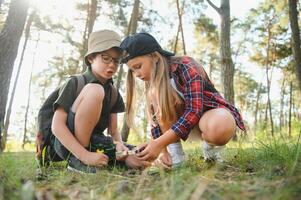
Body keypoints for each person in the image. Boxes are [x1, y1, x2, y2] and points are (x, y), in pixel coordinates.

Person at [120, 33, 246, 168]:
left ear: (155, 57)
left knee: (221, 126)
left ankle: (210, 149)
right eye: (132, 70)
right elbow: (155, 120)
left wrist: (159, 143)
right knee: (158, 97)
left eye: (138, 67)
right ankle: (176, 156)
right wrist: (163, 151)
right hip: (178, 127)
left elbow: (194, 110)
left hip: (206, 118)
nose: (137, 74)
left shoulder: (186, 66)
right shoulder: (152, 82)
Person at [50, 30, 150, 173]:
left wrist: (121, 149)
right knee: (96, 90)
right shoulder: (75, 83)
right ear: (91, 58)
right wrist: (84, 155)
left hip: (96, 142)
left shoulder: (113, 93)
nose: (112, 65)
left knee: (139, 154)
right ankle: (77, 161)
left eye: (116, 61)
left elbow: (114, 130)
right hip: (68, 144)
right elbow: (57, 126)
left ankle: (110, 160)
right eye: (105, 58)